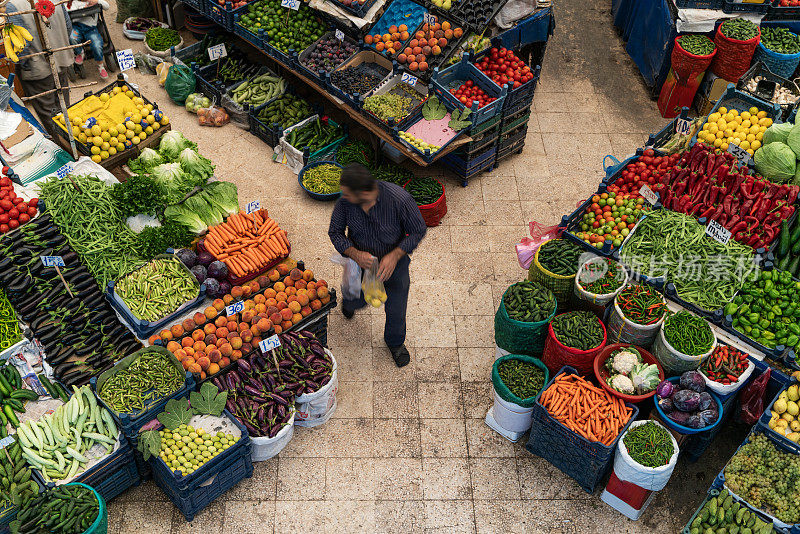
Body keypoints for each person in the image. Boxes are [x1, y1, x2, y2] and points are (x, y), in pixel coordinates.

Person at [328, 163, 427, 367]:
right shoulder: (345, 203)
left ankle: (395, 343)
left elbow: (418, 230)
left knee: (397, 306)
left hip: (394, 265)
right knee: (355, 295)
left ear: (364, 192)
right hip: (359, 264)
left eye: (347, 195)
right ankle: (350, 304)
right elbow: (335, 232)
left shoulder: (399, 200)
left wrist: (396, 254)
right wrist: (354, 253)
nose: (343, 198)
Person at [4, 1, 74, 138]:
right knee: (65, 108)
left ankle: (66, 147)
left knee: (50, 115)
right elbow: (68, 27)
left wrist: (24, 65)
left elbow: (22, 45)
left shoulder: (14, 6)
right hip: (62, 59)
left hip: (38, 70)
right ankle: (74, 141)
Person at [66, 0, 110, 79]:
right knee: (72, 38)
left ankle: (100, 66)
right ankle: (80, 52)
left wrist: (97, 1)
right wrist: (82, 8)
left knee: (97, 44)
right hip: (76, 26)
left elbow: (107, 6)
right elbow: (67, 10)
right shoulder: (71, 3)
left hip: (91, 27)